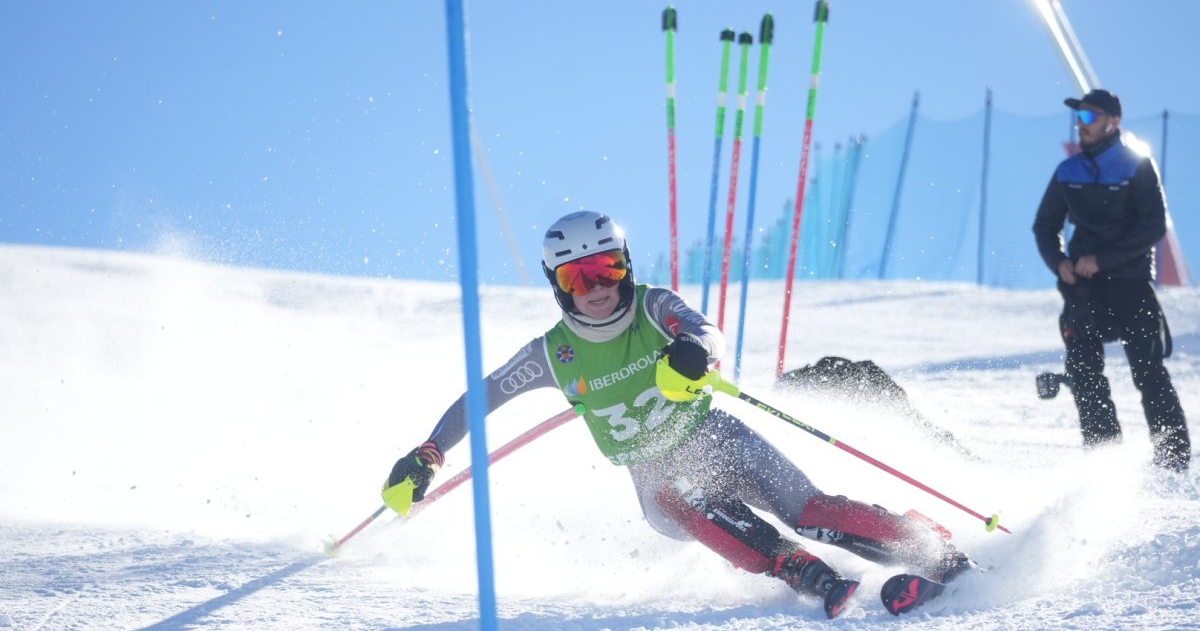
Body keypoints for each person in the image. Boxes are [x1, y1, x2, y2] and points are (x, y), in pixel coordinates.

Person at [383, 210, 973, 619]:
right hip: (653, 473)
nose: (597, 287)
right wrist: (429, 453)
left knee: (811, 511)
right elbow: (482, 398)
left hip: (715, 435)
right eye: (577, 276)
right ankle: (802, 570)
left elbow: (706, 332)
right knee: (677, 490)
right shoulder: (551, 354)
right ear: (557, 284)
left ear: (626, 264)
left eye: (608, 268)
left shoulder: (652, 307)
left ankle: (935, 552)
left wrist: (693, 351)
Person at [1033, 89, 1191, 473]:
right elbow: (1045, 226)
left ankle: (1173, 462)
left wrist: (1101, 260)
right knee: (1084, 370)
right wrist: (1060, 263)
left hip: (1130, 284)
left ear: (1113, 122)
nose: (1081, 125)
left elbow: (1153, 226)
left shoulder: (1137, 165)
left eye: (1089, 117)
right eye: (1078, 117)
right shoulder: (1067, 171)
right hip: (1084, 290)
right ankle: (1105, 459)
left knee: (1148, 371)